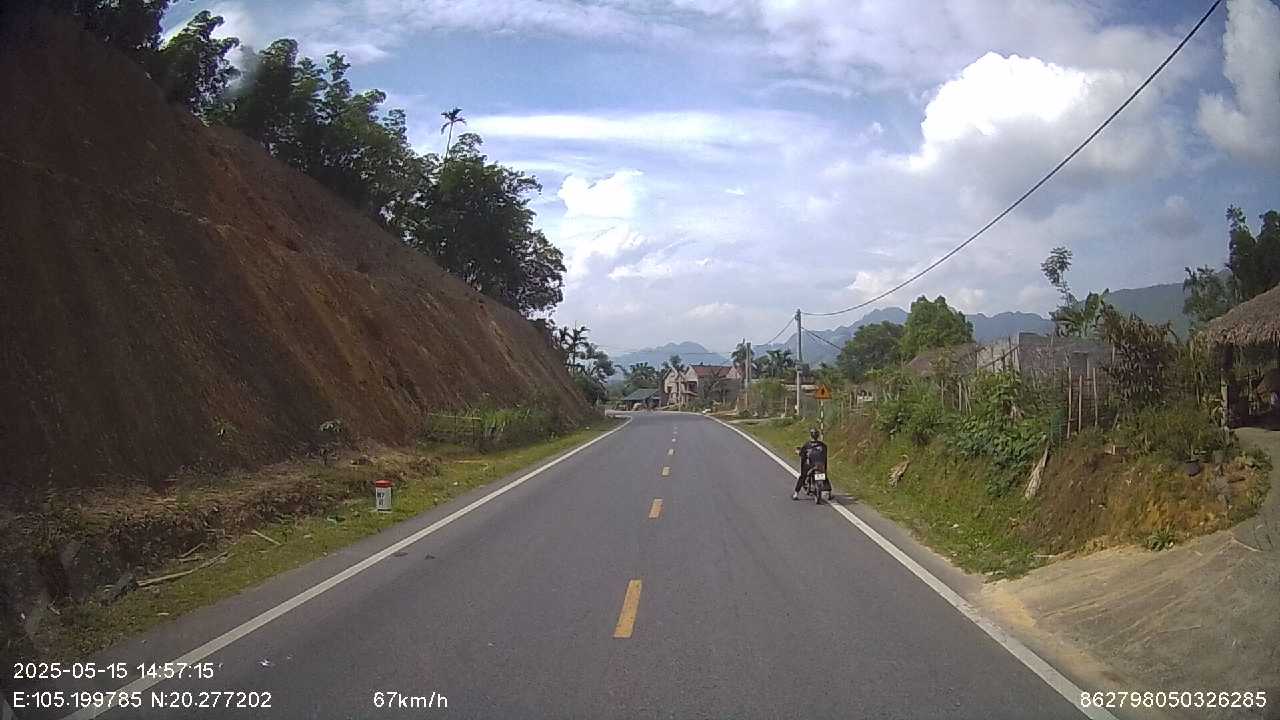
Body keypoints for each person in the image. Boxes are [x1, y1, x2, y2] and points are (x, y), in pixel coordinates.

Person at [793, 428, 828, 500]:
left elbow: (802, 454)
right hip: (820, 465)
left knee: (803, 476)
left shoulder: (807, 445)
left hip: (809, 465)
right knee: (824, 476)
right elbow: (824, 456)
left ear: (811, 436)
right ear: (818, 436)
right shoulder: (823, 445)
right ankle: (828, 491)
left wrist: (798, 452)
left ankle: (796, 494)